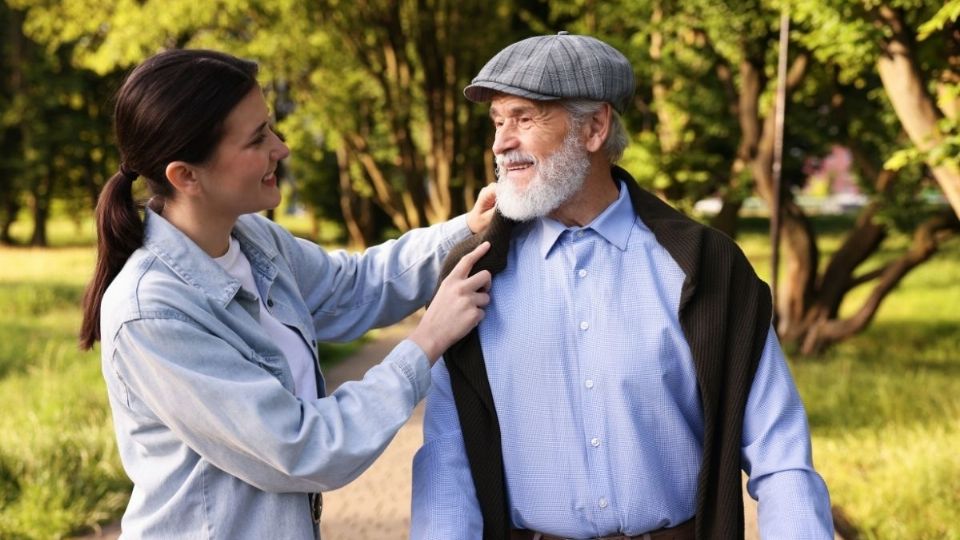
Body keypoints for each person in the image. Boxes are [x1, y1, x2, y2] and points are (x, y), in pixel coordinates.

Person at [411, 33, 834, 540]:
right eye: (498, 121)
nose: (502, 142)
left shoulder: (708, 267)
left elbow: (779, 451)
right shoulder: (474, 273)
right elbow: (446, 461)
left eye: (524, 118)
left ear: (595, 127)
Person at [78, 48, 496, 539]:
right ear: (185, 175)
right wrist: (425, 344)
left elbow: (352, 287)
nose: (282, 148)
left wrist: (465, 228)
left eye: (270, 126)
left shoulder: (253, 239)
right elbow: (303, 448)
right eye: (257, 139)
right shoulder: (151, 312)